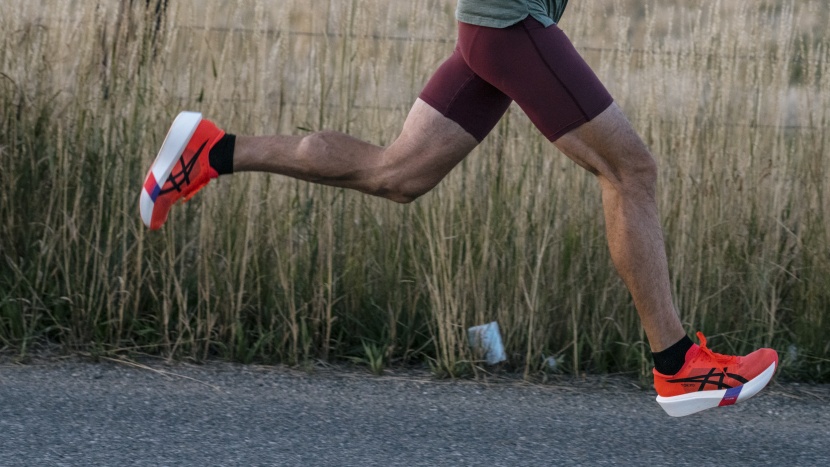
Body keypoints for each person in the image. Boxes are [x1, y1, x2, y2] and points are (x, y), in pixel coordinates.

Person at [139, 0, 777, 417]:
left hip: (492, 23)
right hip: (510, 21)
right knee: (630, 169)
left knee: (398, 174)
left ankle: (211, 151)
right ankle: (678, 368)